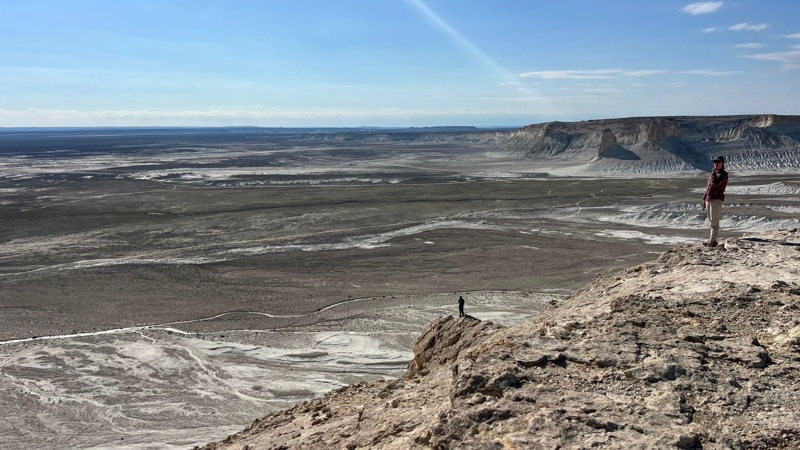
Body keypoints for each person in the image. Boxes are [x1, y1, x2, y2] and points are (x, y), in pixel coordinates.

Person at [702, 155, 728, 247]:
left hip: (716, 199)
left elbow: (715, 184)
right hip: (709, 199)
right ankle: (713, 239)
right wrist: (704, 198)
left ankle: (712, 241)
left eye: (718, 162)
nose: (716, 164)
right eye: (715, 163)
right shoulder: (713, 175)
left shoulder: (723, 175)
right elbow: (708, 187)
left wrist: (713, 174)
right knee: (711, 220)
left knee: (714, 221)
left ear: (722, 163)